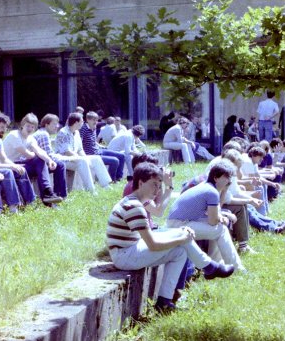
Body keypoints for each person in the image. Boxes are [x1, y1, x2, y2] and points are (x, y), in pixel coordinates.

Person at [107, 162, 235, 313]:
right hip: (124, 256)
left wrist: (181, 232)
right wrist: (181, 239)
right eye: (154, 185)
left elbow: (153, 232)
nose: (157, 190)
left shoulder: (134, 201)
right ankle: (209, 267)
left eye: (159, 185)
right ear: (140, 183)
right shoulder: (135, 207)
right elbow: (153, 245)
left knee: (180, 251)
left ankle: (164, 301)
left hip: (128, 249)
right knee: (182, 242)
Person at [166, 160, 246, 272]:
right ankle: (237, 268)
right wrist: (224, 218)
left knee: (218, 228)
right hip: (179, 225)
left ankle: (217, 263)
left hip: (180, 221)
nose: (229, 180)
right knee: (221, 229)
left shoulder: (208, 187)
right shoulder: (211, 192)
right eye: (227, 177)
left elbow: (214, 212)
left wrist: (223, 214)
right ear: (216, 178)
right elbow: (213, 221)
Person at [3, 113, 65, 206]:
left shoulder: (30, 138)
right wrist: (35, 154)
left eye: (32, 127)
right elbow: (28, 155)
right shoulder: (14, 135)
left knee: (57, 164)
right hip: (9, 166)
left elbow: (39, 151)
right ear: (22, 124)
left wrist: (49, 161)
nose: (30, 129)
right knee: (38, 159)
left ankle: (56, 195)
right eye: (28, 126)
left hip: (21, 165)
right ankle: (47, 194)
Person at [0, 111, 37, 207]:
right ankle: (14, 206)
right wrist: (10, 166)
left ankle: (31, 202)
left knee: (21, 169)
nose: (4, 130)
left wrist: (14, 166)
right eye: (1, 127)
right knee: (7, 171)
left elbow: (4, 158)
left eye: (5, 127)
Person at [53, 112, 112, 193]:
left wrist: (84, 158)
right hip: (64, 160)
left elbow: (80, 149)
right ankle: (91, 190)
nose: (83, 123)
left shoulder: (77, 132)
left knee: (96, 159)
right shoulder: (63, 132)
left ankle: (106, 185)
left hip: (75, 158)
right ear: (76, 122)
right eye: (82, 121)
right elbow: (67, 151)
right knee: (83, 161)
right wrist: (82, 159)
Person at [80, 111, 124, 182]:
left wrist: (102, 146)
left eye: (96, 120)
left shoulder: (93, 127)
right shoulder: (83, 128)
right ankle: (112, 180)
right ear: (88, 120)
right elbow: (79, 142)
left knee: (121, 156)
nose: (95, 122)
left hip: (98, 150)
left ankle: (118, 178)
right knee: (115, 161)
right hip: (92, 154)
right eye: (93, 120)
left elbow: (94, 142)